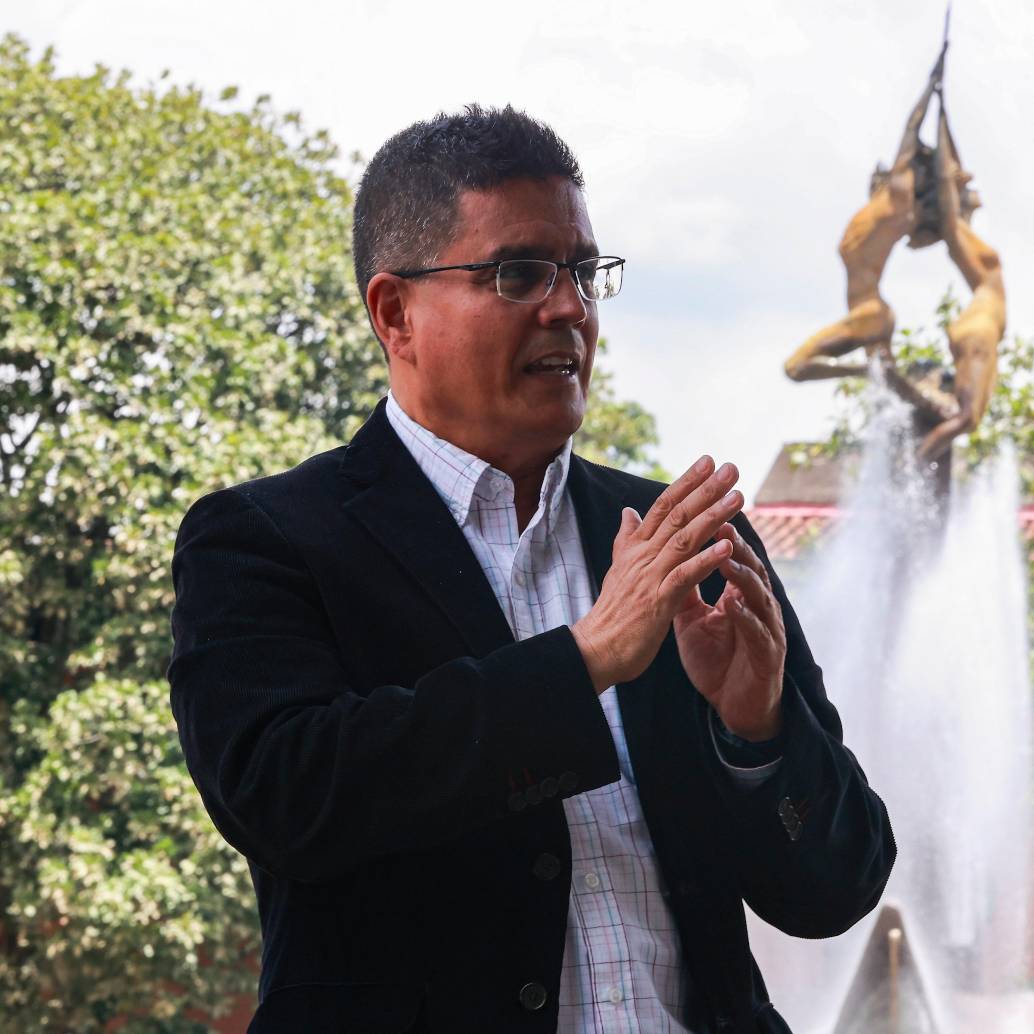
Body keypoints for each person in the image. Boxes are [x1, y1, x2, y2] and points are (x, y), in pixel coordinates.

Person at [169, 105, 895, 1034]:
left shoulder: (686, 540)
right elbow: (286, 799)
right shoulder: (265, 538)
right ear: (395, 314)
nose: (570, 309)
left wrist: (754, 734)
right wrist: (586, 659)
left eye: (583, 272)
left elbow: (837, 889)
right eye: (519, 273)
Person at [783, 48, 945, 383]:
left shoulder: (896, 202)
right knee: (894, 394)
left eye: (880, 174)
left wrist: (931, 86)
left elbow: (910, 130)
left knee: (795, 367)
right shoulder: (870, 216)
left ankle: (871, 371)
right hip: (872, 313)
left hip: (869, 313)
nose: (874, 176)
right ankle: (925, 386)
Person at [914, 90, 1005, 461]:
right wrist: (939, 121)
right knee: (967, 418)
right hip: (979, 330)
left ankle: (919, 462)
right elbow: (948, 183)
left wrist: (944, 120)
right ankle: (914, 469)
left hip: (978, 329)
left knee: (967, 417)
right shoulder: (959, 236)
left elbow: (954, 170)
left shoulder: (968, 239)